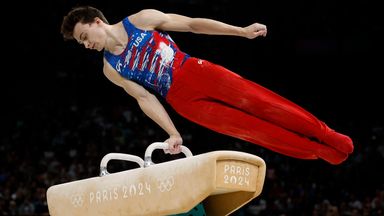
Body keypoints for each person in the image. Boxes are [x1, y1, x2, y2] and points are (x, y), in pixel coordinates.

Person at [60, 5, 353, 165]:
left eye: (85, 36)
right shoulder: (111, 69)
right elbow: (145, 98)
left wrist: (239, 31)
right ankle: (317, 151)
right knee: (253, 131)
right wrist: (173, 133)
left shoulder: (140, 20)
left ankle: (326, 134)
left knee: (265, 104)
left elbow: (191, 24)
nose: (86, 45)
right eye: (81, 43)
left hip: (195, 71)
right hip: (183, 102)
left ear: (98, 22)